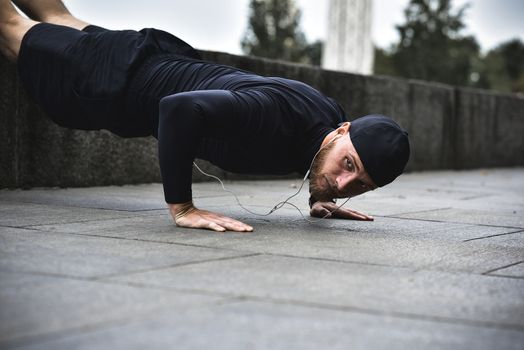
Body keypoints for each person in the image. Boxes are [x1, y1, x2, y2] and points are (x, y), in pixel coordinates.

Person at [0, 0, 410, 233]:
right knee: (10, 24)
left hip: (143, 55)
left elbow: (324, 157)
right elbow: (178, 108)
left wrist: (322, 196)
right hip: (108, 81)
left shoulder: (330, 120)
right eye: (348, 166)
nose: (344, 183)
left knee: (55, 16)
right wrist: (183, 208)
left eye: (360, 186)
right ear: (342, 132)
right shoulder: (273, 114)